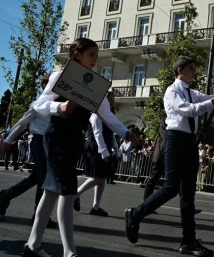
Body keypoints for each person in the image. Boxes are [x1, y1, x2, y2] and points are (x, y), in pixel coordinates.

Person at [23, 38, 138, 257]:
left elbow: (106, 115)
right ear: (77, 54)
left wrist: (125, 132)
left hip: (75, 140)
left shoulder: (96, 86)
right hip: (56, 137)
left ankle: (32, 245)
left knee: (50, 193)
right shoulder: (60, 76)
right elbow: (38, 105)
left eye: (96, 55)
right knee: (67, 191)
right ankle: (69, 252)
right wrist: (59, 106)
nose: (95, 59)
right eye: (91, 54)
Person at [124, 56, 214, 257]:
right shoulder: (172, 91)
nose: (194, 71)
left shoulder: (191, 92)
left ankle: (188, 240)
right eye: (191, 68)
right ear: (180, 70)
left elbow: (208, 98)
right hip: (175, 139)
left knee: (188, 192)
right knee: (171, 187)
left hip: (190, 142)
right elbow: (189, 111)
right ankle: (136, 213)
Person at [0, 75, 58, 228]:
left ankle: (6, 195)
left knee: (36, 178)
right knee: (44, 178)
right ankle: (39, 216)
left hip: (51, 143)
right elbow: (22, 122)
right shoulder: (37, 104)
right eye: (46, 83)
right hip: (38, 142)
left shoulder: (59, 104)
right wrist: (8, 140)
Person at [74, 92, 121, 217]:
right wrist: (104, 152)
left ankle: (95, 206)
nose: (111, 102)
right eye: (108, 100)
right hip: (95, 147)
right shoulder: (96, 114)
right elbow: (97, 134)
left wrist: (116, 149)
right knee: (98, 177)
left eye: (112, 99)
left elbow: (111, 134)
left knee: (102, 178)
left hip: (103, 147)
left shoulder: (110, 114)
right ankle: (76, 194)